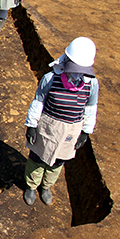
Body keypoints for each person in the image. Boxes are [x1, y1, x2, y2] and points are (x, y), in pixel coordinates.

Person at [22, 37, 99, 206]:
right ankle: (31, 186)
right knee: (37, 157)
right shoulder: (50, 78)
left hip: (72, 130)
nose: (78, 73)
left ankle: (46, 187)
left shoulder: (91, 84)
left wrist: (86, 131)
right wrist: (32, 125)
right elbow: (38, 102)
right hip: (48, 126)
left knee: (58, 161)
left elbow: (90, 108)